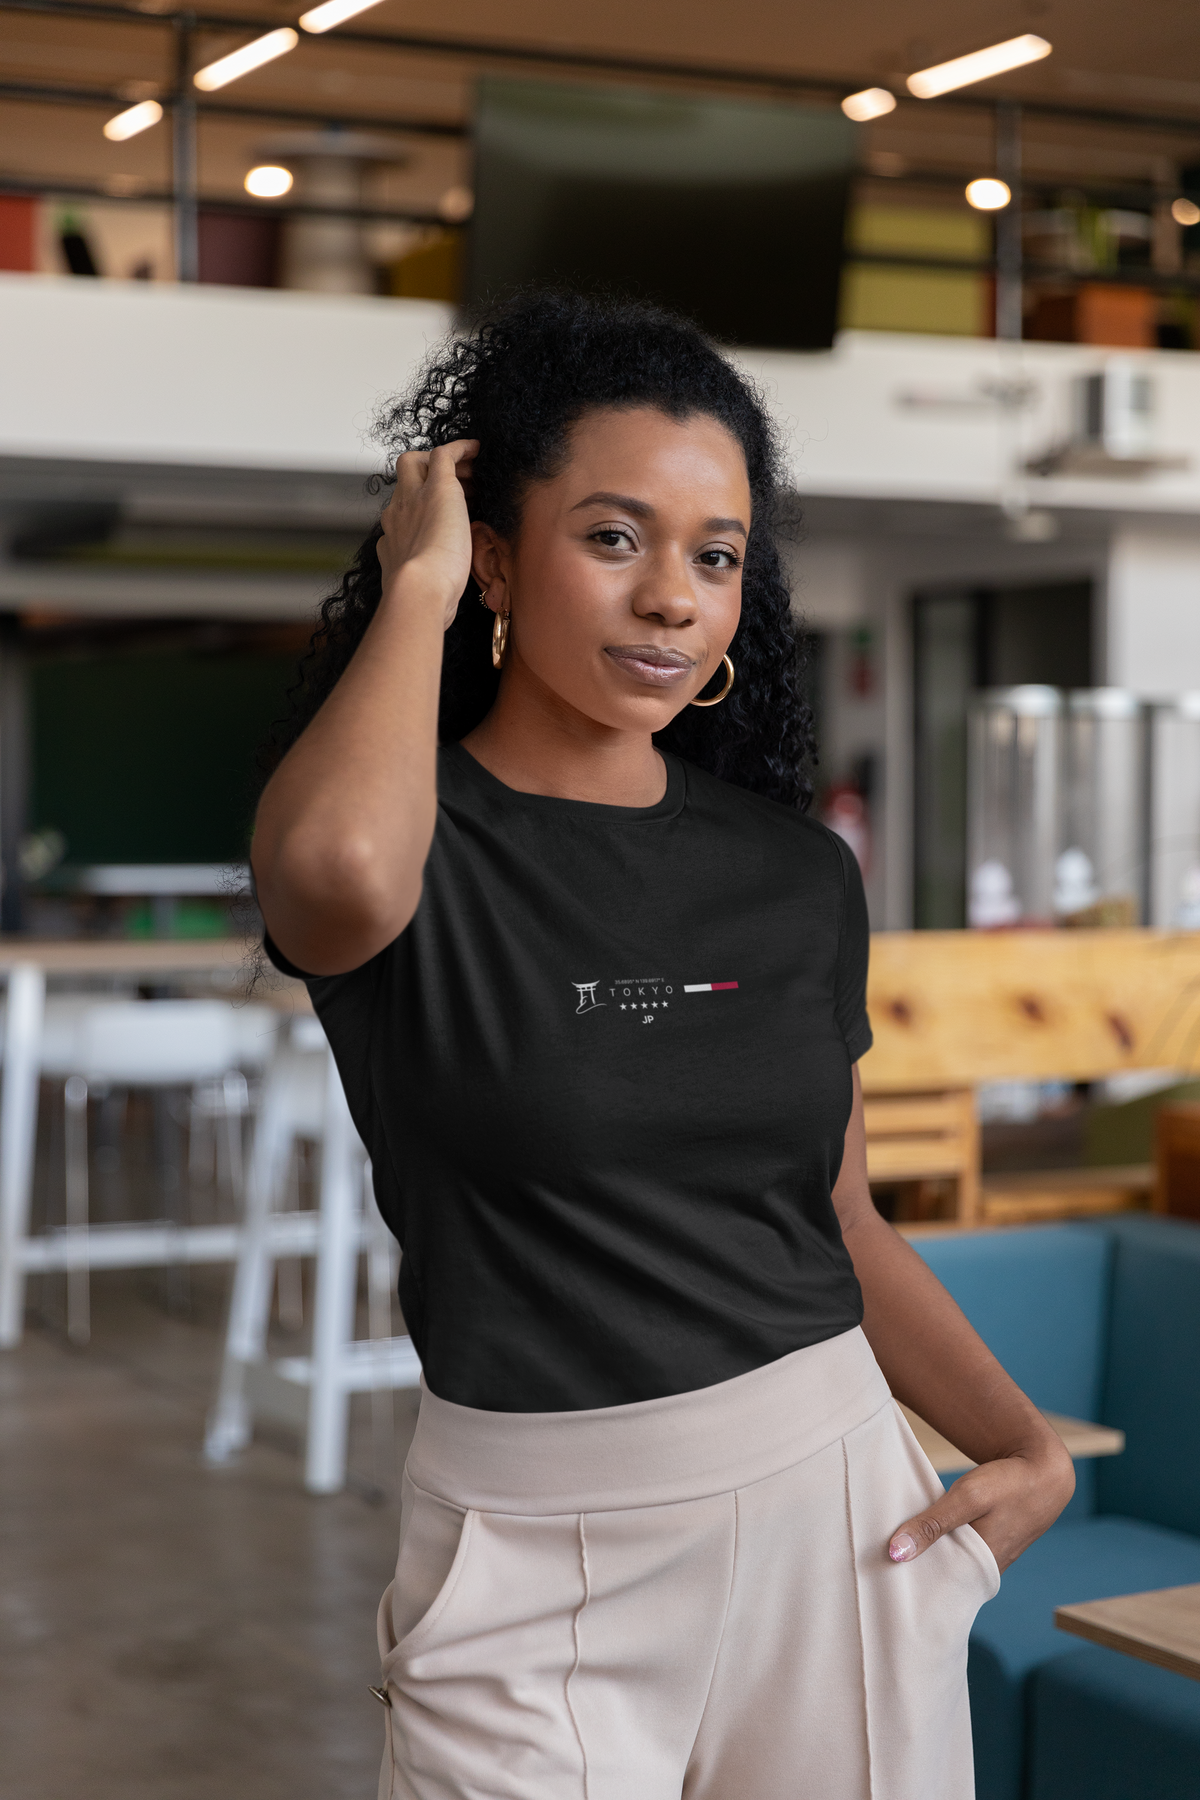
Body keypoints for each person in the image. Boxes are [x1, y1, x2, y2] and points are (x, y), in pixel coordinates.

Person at [252, 291, 1073, 1800]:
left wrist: (1025, 1445)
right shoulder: (417, 838)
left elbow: (837, 1221)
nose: (671, 598)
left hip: (828, 1512)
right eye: (612, 537)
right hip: (521, 1549)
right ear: (499, 550)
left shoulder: (794, 873)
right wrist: (415, 588)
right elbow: (335, 881)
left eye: (715, 556)